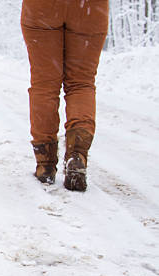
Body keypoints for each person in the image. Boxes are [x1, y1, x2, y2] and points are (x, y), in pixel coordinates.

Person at [21, 0, 109, 191]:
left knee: (44, 84)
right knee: (81, 83)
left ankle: (45, 164)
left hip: (42, 7)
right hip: (90, 7)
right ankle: (77, 154)